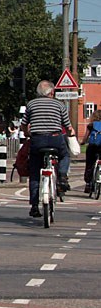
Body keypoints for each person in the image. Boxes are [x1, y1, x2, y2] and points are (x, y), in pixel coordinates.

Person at [21, 80, 75, 218]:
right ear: (51, 92)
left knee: (34, 171)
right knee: (65, 155)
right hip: (55, 139)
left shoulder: (31, 104)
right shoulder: (59, 104)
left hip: (37, 140)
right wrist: (70, 134)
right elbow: (67, 126)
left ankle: (34, 205)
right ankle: (62, 177)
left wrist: (27, 134)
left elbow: (24, 124)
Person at [81, 109, 101, 194]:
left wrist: (82, 142)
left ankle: (88, 184)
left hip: (92, 146)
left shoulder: (91, 125)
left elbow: (86, 137)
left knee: (89, 164)